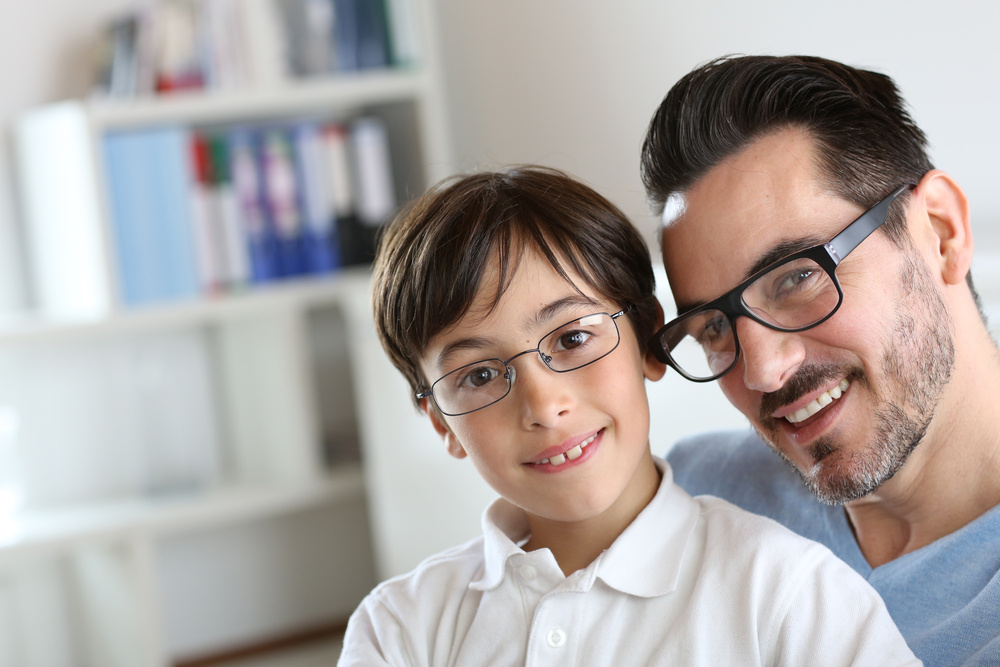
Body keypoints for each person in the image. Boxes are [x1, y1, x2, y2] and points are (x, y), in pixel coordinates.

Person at [338, 165, 919, 665]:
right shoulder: (399, 630)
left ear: (649, 342)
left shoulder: (790, 595)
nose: (544, 406)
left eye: (572, 339)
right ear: (442, 422)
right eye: (481, 376)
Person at [641, 54, 1000, 665]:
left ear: (941, 233)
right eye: (714, 328)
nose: (763, 372)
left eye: (797, 277)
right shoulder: (687, 498)